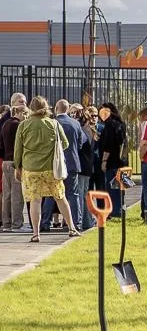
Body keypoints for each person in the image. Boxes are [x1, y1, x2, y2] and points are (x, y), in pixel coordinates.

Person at [13, 96, 80, 242]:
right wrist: (53, 150)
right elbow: (65, 143)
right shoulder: (54, 124)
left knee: (35, 201)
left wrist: (17, 167)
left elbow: (17, 150)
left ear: (31, 108)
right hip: (51, 168)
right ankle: (71, 228)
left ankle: (36, 233)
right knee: (60, 197)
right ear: (46, 107)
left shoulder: (24, 125)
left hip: (30, 168)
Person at [41, 100, 87, 232]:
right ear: (67, 109)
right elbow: (80, 143)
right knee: (73, 194)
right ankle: (74, 223)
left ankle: (45, 222)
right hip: (72, 162)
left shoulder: (52, 123)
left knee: (51, 194)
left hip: (54, 163)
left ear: (56, 109)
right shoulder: (75, 123)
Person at [98, 102, 129, 217]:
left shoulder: (110, 125)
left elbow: (108, 145)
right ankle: (120, 209)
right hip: (121, 160)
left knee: (111, 187)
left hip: (112, 161)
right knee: (120, 187)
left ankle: (114, 211)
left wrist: (104, 161)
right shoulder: (121, 124)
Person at [0, 104, 27, 231]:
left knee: (7, 195)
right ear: (20, 113)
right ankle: (17, 224)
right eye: (25, 114)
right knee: (17, 195)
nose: (26, 117)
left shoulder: (5, 124)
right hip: (15, 162)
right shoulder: (18, 125)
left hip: (5, 161)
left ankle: (6, 223)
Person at [77, 106, 99, 230]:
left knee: (81, 194)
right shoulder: (91, 130)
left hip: (82, 166)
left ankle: (83, 220)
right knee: (84, 194)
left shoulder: (84, 130)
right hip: (87, 167)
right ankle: (87, 220)